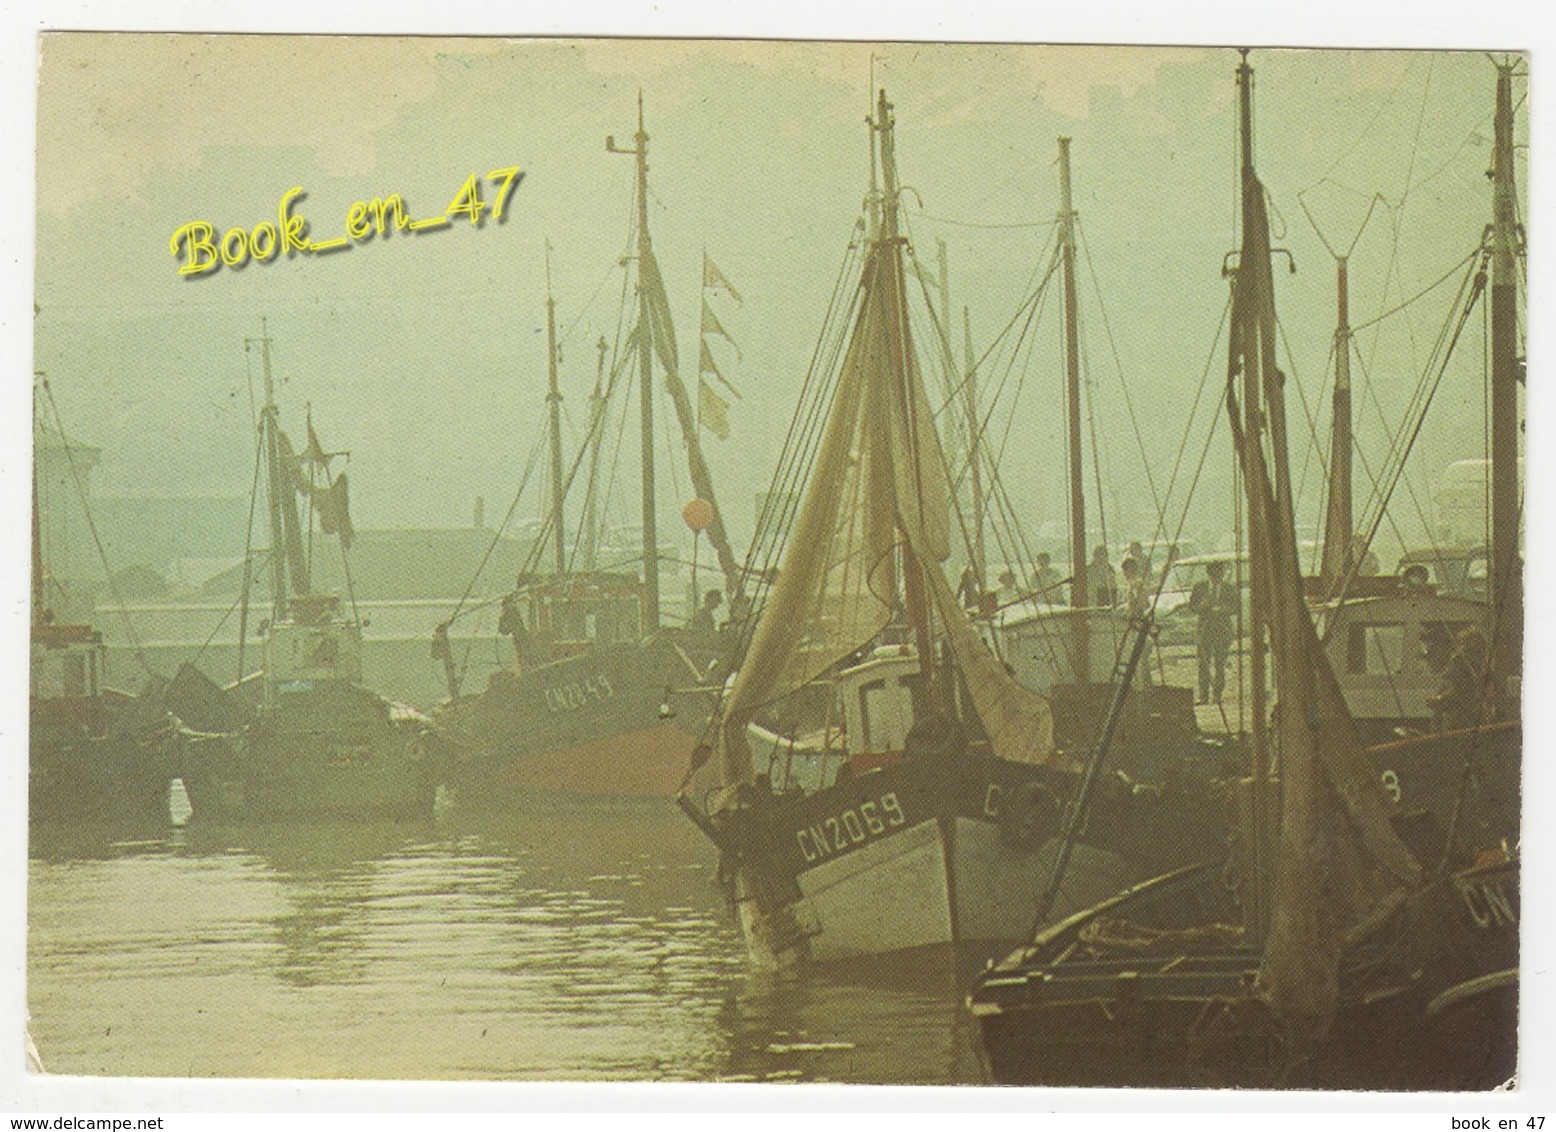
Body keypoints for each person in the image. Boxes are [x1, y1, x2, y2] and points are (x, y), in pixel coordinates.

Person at [1427, 625, 1494, 732]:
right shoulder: (1483, 665)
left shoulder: (1461, 661)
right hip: (1479, 718)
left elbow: (1460, 688)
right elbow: (1490, 690)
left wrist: (1439, 699)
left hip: (1459, 718)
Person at [1189, 560, 1235, 705]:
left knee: (1220, 663)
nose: (1217, 577)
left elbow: (1236, 607)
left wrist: (1224, 609)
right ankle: (1203, 696)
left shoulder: (1229, 588)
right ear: (1209, 574)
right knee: (1203, 663)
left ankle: (1217, 694)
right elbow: (1192, 607)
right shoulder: (1199, 588)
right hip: (1204, 630)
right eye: (1214, 574)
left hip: (1222, 629)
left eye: (1220, 573)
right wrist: (1202, 606)